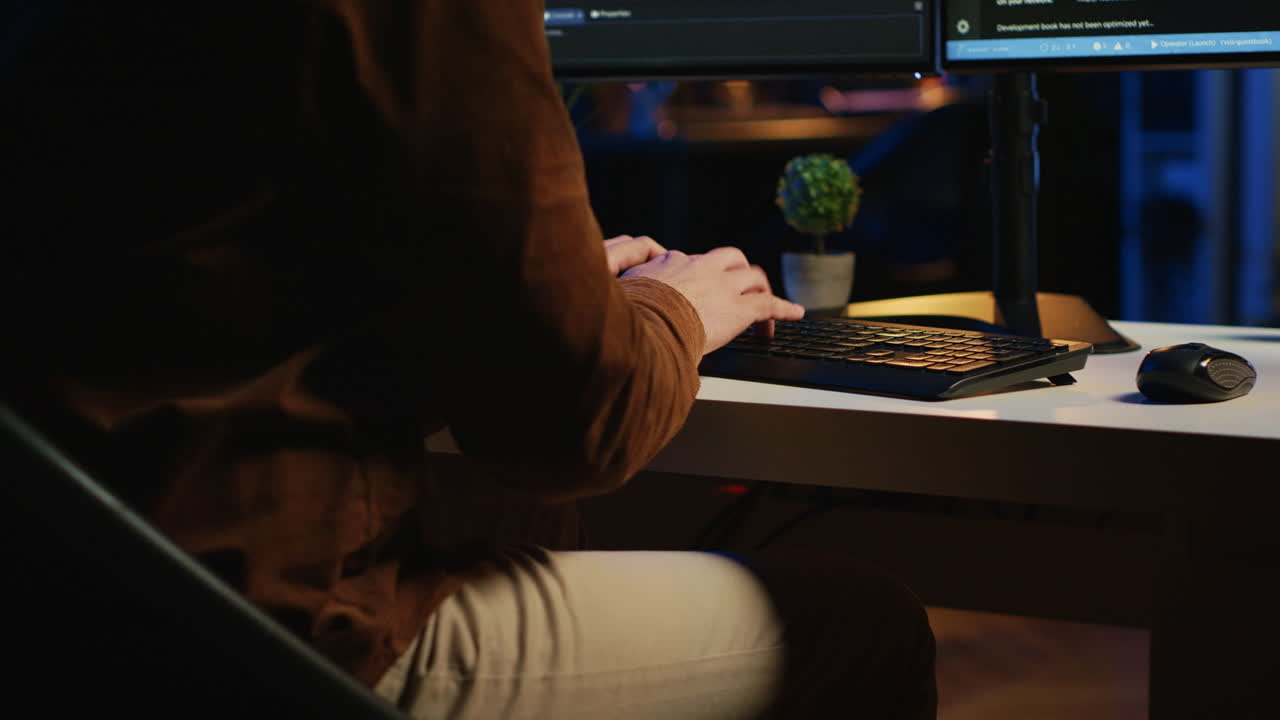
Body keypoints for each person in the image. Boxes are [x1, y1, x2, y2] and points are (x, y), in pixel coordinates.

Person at [3, 1, 937, 717]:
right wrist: (673, 307)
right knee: (863, 625)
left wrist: (544, 295)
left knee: (520, 509)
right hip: (242, 630)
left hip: (60, 583)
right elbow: (580, 425)